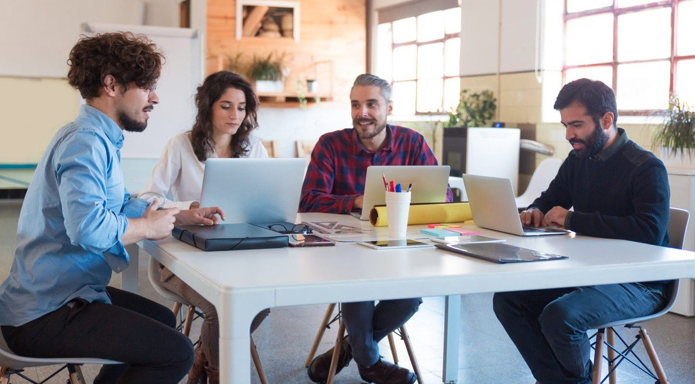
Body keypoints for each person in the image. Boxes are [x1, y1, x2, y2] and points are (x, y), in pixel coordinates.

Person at [0, 32, 224, 384]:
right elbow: (88, 228)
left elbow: (118, 203)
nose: (155, 97)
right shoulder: (85, 142)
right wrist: (148, 228)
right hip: (45, 312)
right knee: (177, 352)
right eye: (146, 85)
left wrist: (179, 214)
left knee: (164, 322)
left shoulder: (95, 137)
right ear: (111, 85)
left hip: (66, 294)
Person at [492, 78, 670, 384]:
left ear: (607, 120)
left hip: (639, 283)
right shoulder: (579, 159)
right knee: (508, 300)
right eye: (564, 125)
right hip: (586, 273)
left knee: (561, 317)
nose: (569, 135)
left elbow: (648, 232)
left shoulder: (646, 168)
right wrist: (533, 211)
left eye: (576, 124)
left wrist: (573, 220)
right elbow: (549, 200)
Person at [301, 74, 452, 384]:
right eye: (356, 105)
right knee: (359, 284)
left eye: (371, 104)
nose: (362, 113)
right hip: (344, 253)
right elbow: (308, 199)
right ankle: (369, 363)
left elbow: (443, 197)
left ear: (389, 108)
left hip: (397, 249)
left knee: (411, 296)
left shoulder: (412, 143)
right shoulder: (331, 144)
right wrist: (355, 200)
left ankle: (347, 350)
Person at [138, 70, 269, 384]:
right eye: (226, 106)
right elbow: (148, 198)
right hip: (183, 255)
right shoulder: (181, 146)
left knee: (262, 302)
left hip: (237, 253)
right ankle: (218, 374)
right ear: (208, 106)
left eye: (241, 107)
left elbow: (266, 197)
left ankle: (202, 358)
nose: (235, 114)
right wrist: (188, 208)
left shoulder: (254, 147)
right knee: (218, 307)